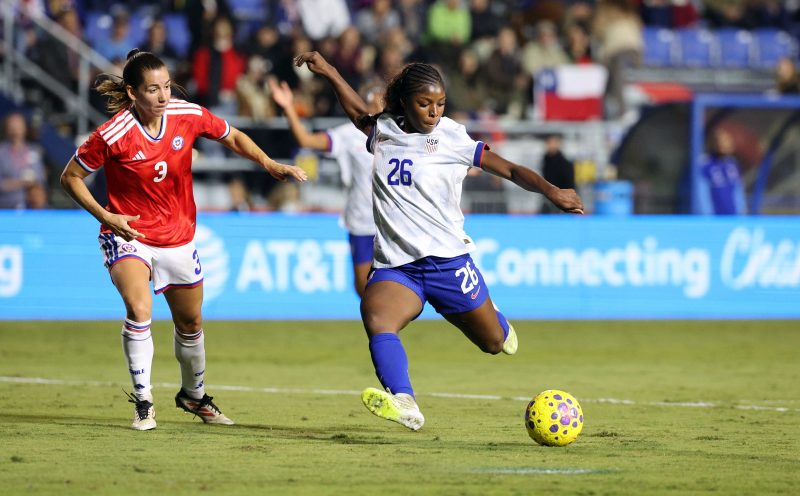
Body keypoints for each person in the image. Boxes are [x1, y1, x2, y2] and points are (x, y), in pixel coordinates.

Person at [294, 51, 583, 430]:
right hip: (399, 267)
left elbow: (510, 169)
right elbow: (356, 113)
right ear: (404, 102)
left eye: (440, 103)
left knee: (493, 343)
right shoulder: (384, 130)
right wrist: (330, 71)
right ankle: (405, 401)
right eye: (424, 103)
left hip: (448, 263)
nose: (434, 112)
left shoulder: (452, 138)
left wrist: (551, 191)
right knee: (376, 316)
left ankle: (498, 322)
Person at [60, 49, 307, 431]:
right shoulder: (113, 134)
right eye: (153, 89)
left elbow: (232, 136)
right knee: (139, 309)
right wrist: (106, 215)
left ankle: (194, 395)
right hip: (129, 234)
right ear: (132, 93)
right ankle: (144, 403)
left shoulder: (186, 114)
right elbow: (70, 177)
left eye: (167, 86)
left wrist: (268, 163)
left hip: (177, 236)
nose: (163, 96)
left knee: (190, 322)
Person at [269, 78, 383, 297]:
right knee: (363, 287)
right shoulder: (348, 134)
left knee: (392, 283)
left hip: (391, 222)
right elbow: (306, 140)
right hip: (361, 220)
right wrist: (288, 107)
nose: (377, 104)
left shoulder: (399, 132)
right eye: (371, 98)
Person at [0, 112, 49, 209]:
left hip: (32, 206)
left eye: (18, 125)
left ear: (25, 128)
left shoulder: (35, 150)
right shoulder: (1, 152)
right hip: (7, 206)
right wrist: (21, 183)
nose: (15, 129)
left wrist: (35, 186)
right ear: (6, 128)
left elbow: (41, 179)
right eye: (12, 126)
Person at [697, 128, 746, 215]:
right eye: (722, 140)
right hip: (715, 217)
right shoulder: (706, 165)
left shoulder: (732, 164)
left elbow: (738, 192)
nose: (726, 144)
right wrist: (707, 217)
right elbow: (702, 195)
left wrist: (741, 214)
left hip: (733, 216)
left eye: (728, 140)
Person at [540, 134, 575, 214]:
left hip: (561, 201)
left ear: (558, 144)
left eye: (552, 143)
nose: (550, 146)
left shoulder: (565, 164)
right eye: (548, 143)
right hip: (547, 199)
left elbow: (570, 185)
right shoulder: (546, 161)